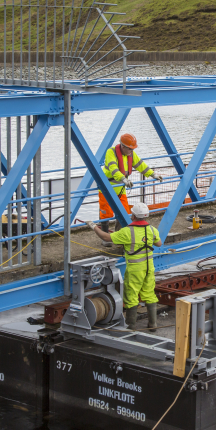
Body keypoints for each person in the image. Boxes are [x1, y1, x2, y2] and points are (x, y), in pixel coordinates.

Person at [89, 202, 162, 331]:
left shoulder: (128, 232)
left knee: (132, 296)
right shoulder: (152, 229)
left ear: (133, 216)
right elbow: (159, 243)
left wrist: (94, 226)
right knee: (149, 293)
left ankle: (131, 326)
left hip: (135, 269)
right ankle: (153, 325)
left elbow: (106, 237)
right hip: (149, 267)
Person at [99, 133, 163, 231]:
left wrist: (153, 174)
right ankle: (104, 236)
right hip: (107, 188)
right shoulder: (110, 152)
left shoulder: (130, 154)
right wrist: (124, 179)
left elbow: (140, 164)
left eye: (132, 149)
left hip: (120, 188)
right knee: (105, 213)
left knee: (124, 212)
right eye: (130, 148)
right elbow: (113, 169)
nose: (131, 151)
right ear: (122, 146)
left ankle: (120, 235)